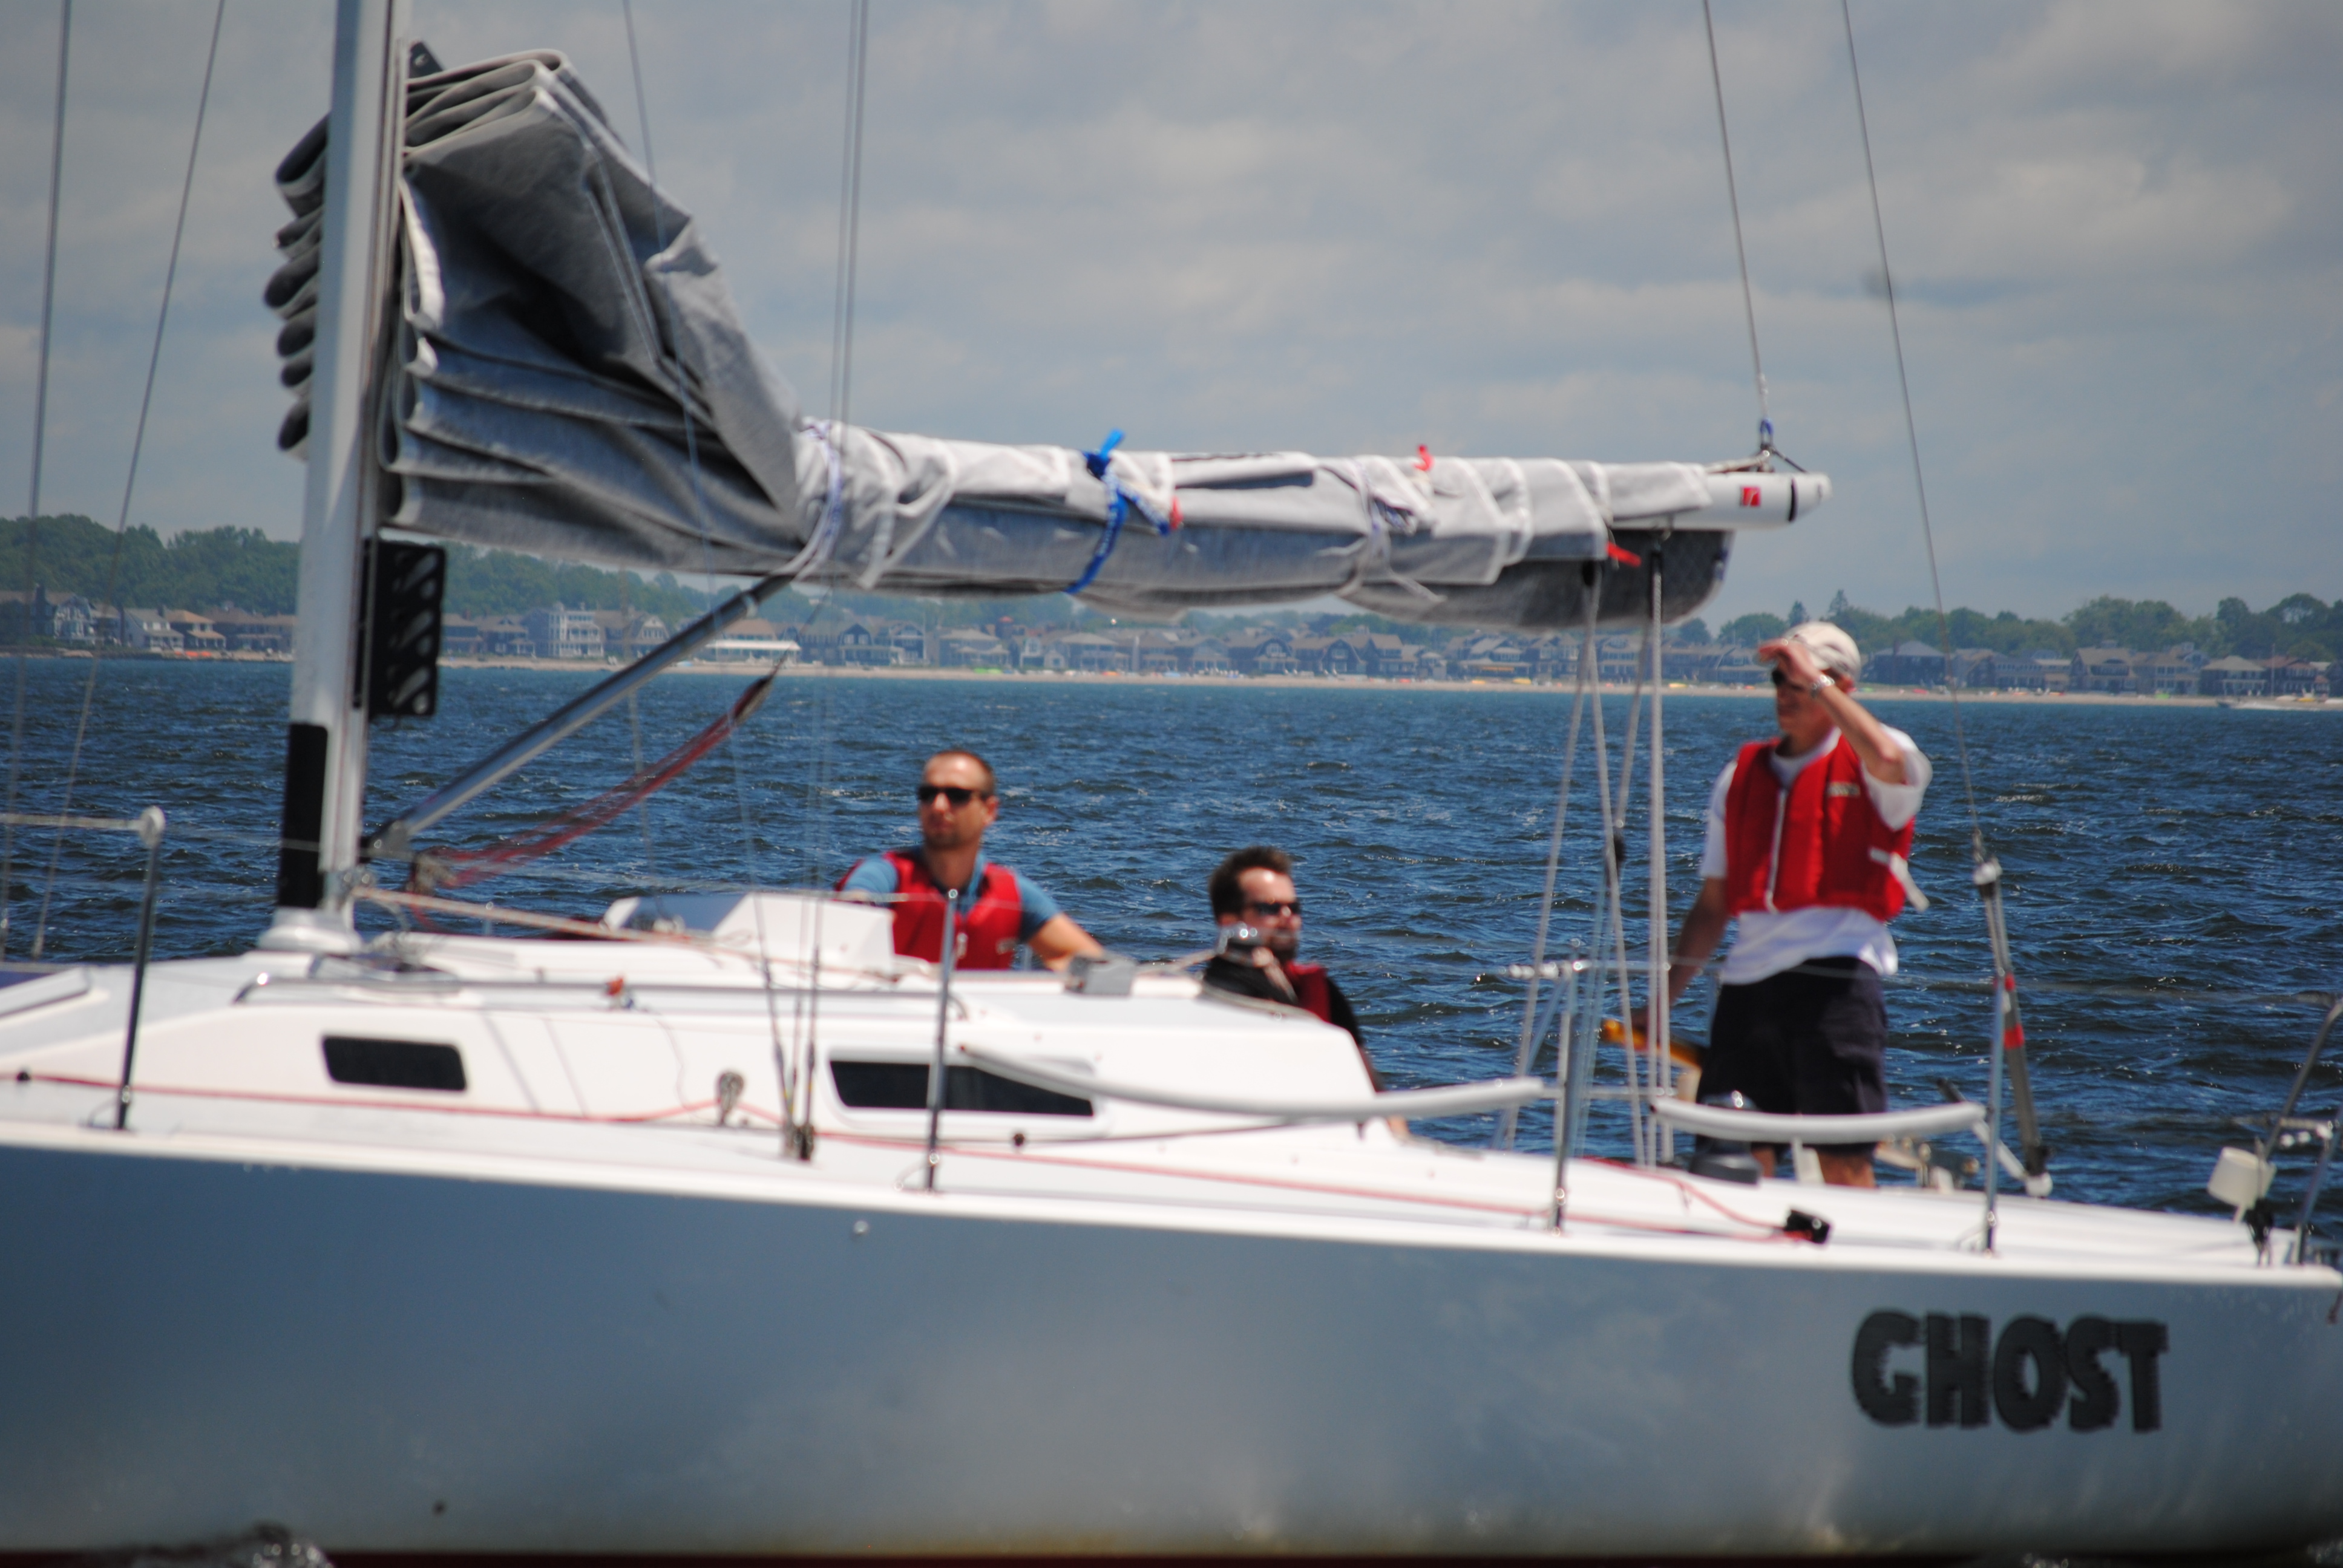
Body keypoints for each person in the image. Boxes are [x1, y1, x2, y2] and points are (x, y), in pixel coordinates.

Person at [1654, 622, 1932, 1187]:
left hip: (1838, 984)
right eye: (1780, 680)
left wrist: (1819, 683)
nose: (1786, 693)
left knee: (1844, 1160)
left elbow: (1884, 758)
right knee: (1731, 1158)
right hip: (1748, 991)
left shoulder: (1884, 756)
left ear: (1840, 687)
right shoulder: (1740, 776)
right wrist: (1663, 1000)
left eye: (1800, 682)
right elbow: (1713, 905)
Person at [838, 749, 1102, 972]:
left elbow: (1086, 959)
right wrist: (859, 913)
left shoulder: (1012, 895)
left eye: (957, 796)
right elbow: (853, 906)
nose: (939, 806)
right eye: (928, 794)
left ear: (989, 810)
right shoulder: (886, 875)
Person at [1204, 846, 1363, 1047]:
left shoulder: (1323, 993)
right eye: (1270, 908)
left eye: (1294, 908)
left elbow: (1363, 1065)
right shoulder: (1210, 1000)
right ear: (1229, 923)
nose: (1288, 917)